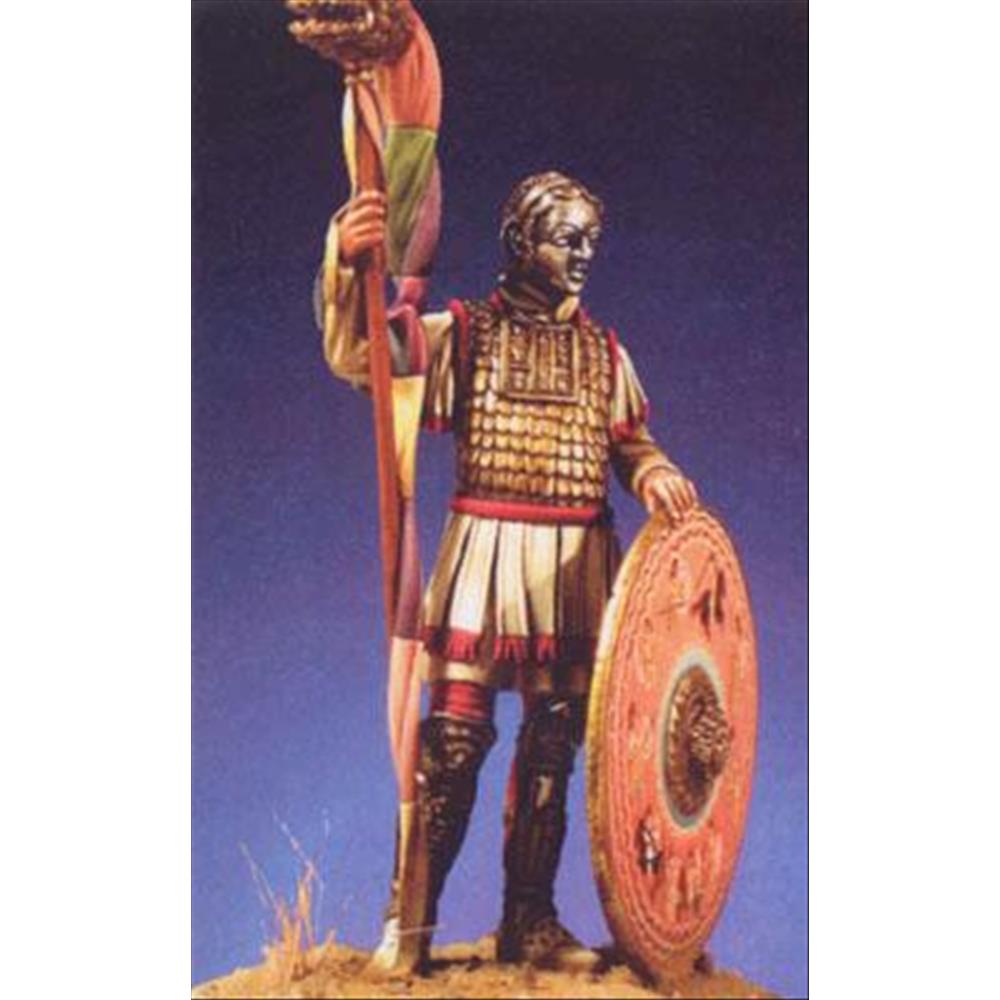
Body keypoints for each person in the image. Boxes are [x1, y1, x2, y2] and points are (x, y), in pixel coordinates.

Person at [316, 171, 699, 970]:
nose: (584, 253)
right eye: (566, 238)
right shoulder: (467, 335)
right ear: (522, 242)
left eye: (591, 239)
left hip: (575, 569)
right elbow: (364, 357)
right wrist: (346, 264)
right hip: (485, 562)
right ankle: (409, 922)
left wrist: (654, 471)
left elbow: (629, 441)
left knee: (554, 747)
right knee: (453, 745)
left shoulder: (604, 353)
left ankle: (529, 920)